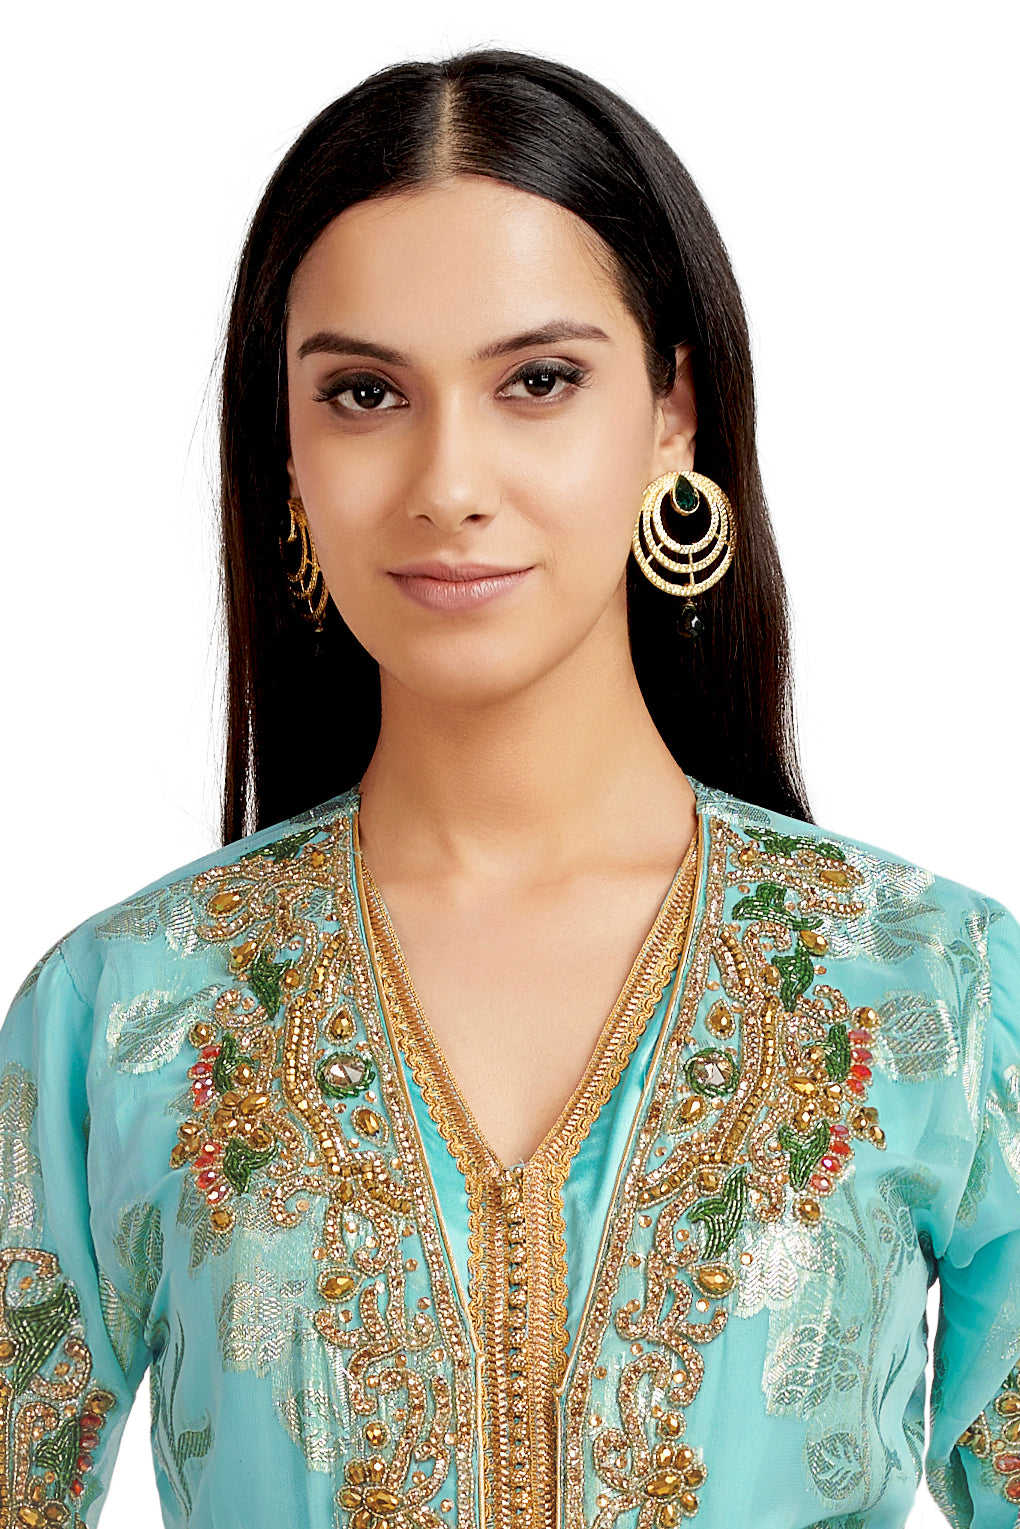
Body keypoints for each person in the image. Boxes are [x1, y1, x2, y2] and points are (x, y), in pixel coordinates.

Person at [1, 46, 1016, 1529]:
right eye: (364, 393)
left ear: (672, 413)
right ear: (285, 450)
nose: (449, 482)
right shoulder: (125, 1017)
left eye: (539, 381)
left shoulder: (939, 995)